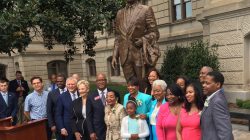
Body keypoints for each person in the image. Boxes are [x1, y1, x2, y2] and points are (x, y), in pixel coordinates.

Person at [112, 0, 160, 91]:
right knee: (131, 86)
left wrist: (143, 40)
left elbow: (155, 33)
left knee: (143, 84)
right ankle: (133, 104)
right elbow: (118, 36)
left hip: (139, 54)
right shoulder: (119, 13)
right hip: (124, 55)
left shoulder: (146, 10)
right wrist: (115, 55)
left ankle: (144, 103)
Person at [201, 71, 233, 140]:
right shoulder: (211, 97)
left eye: (207, 83)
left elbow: (225, 131)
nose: (203, 85)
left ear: (218, 84)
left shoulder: (217, 101)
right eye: (203, 83)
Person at [86, 73, 119, 140]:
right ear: (96, 82)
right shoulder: (90, 96)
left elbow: (118, 108)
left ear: (106, 81)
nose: (101, 82)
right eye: (99, 80)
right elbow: (89, 116)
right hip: (98, 130)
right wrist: (91, 132)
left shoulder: (114, 93)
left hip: (113, 130)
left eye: (103, 80)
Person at [47, 74, 67, 140]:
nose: (59, 83)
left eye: (61, 81)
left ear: (65, 81)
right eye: (57, 81)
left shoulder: (70, 91)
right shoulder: (52, 94)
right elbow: (49, 110)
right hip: (57, 124)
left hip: (70, 122)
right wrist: (52, 124)